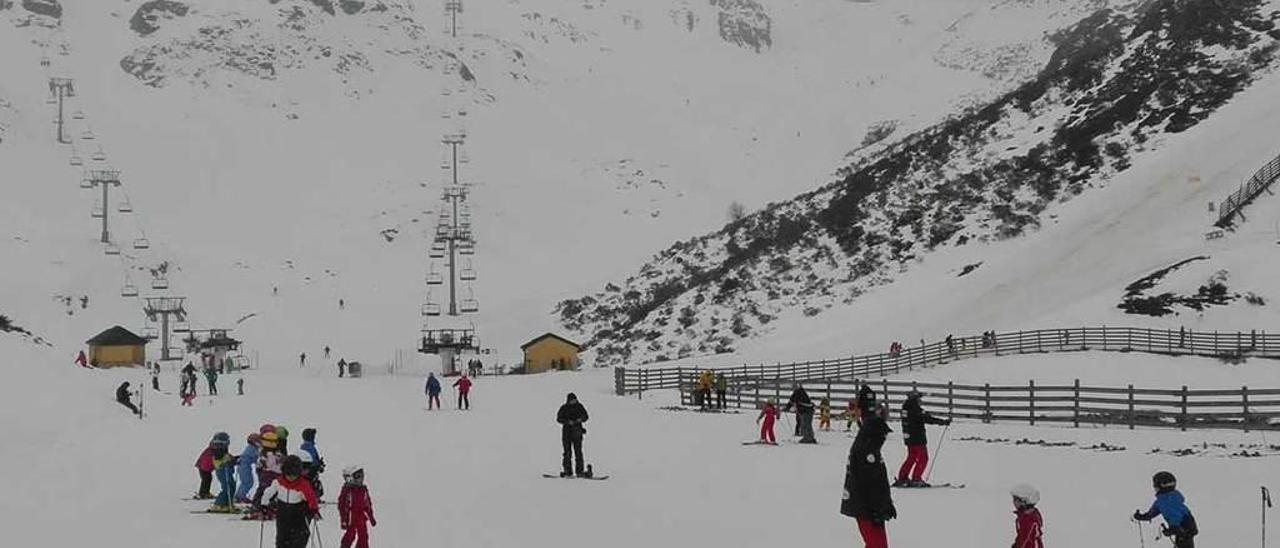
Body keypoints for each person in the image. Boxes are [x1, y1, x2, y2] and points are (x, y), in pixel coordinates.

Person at [840, 387, 895, 548]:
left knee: (877, 545)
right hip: (865, 508)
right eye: (882, 436)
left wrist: (886, 503)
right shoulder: (865, 450)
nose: (883, 439)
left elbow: (878, 480)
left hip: (871, 507)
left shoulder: (870, 446)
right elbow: (867, 482)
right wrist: (877, 509)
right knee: (877, 545)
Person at [894, 391, 951, 488]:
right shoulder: (915, 409)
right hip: (917, 438)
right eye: (919, 399)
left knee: (911, 457)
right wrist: (942, 422)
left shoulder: (906, 408)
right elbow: (928, 419)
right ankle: (916, 479)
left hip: (909, 437)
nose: (920, 401)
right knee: (923, 458)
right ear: (915, 399)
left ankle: (902, 477)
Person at [262, 455, 320, 548]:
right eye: (288, 474)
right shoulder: (278, 482)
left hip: (298, 512)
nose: (291, 478)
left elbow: (311, 497)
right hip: (282, 512)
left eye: (294, 475)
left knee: (298, 539)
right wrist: (264, 504)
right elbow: (269, 492)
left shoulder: (303, 484)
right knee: (282, 538)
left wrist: (313, 509)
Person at [1133, 471, 1197, 548]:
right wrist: (1144, 516)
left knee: (1183, 544)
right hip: (1185, 525)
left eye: (1155, 486)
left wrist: (1173, 529)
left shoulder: (1166, 501)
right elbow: (1154, 511)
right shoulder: (1164, 499)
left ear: (1160, 487)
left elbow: (1174, 516)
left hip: (1184, 527)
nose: (1154, 488)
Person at [339, 466, 376, 548]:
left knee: (363, 536)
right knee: (351, 534)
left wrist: (371, 517)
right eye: (358, 477)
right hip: (351, 516)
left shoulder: (363, 489)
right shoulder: (348, 490)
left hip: (361, 516)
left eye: (362, 476)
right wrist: (344, 520)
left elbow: (367, 504)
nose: (361, 479)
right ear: (351, 478)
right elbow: (342, 505)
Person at [557, 393, 590, 477]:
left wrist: (580, 419)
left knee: (578, 452)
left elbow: (586, 416)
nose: (573, 401)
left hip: (577, 433)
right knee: (567, 453)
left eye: (574, 400)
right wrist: (567, 422)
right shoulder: (564, 408)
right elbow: (559, 419)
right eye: (572, 400)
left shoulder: (579, 407)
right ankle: (568, 471)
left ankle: (579, 471)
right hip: (566, 434)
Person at [209, 432, 238, 513]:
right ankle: (218, 504)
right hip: (223, 472)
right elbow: (221, 462)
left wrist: (235, 459)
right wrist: (228, 462)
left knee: (232, 486)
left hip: (227, 472)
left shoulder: (223, 451)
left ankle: (227, 503)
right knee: (227, 488)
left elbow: (228, 458)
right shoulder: (218, 451)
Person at [1011, 484, 1044, 548]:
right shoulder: (1026, 516)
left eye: (1016, 500)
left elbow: (1024, 538)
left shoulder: (1028, 519)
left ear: (1024, 502)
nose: (1013, 502)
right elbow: (1020, 536)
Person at [236, 434, 260, 503]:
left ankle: (240, 495)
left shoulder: (251, 448)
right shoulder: (252, 448)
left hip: (244, 466)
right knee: (247, 482)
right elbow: (255, 457)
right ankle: (240, 496)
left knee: (247, 482)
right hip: (244, 467)